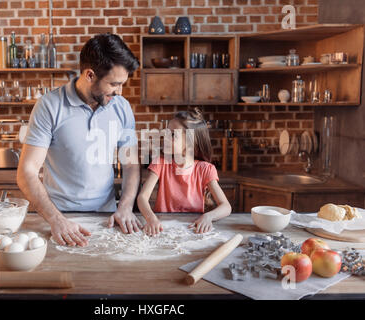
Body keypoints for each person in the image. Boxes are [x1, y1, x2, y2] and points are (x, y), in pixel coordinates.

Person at [17, 33, 142, 247]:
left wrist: (125, 207)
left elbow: (130, 164)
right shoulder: (49, 106)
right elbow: (26, 171)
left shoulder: (122, 107)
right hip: (59, 218)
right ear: (90, 75)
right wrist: (56, 220)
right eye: (113, 84)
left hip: (108, 218)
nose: (119, 92)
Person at [137, 108, 232, 236]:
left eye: (172, 135)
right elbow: (142, 198)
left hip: (192, 230)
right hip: (163, 229)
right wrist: (151, 218)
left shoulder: (205, 169)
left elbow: (226, 206)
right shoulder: (160, 163)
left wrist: (208, 217)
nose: (165, 137)